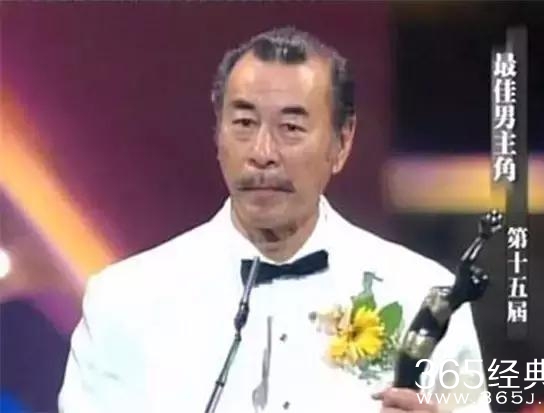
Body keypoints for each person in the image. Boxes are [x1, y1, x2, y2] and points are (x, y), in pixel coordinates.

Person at [58, 26, 490, 413]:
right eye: (244, 123)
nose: (262, 152)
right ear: (217, 134)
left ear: (342, 142)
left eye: (291, 128)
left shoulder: (421, 296)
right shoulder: (124, 302)